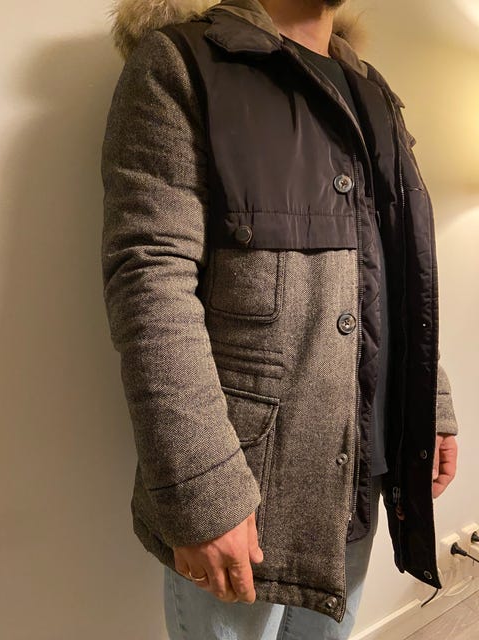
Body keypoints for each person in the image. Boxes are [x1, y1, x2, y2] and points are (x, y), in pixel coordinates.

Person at [100, 0, 459, 638]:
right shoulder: (182, 63)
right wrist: (203, 489)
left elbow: (398, 268)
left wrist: (432, 402)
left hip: (362, 465)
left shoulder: (371, 87)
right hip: (244, 484)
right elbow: (150, 282)